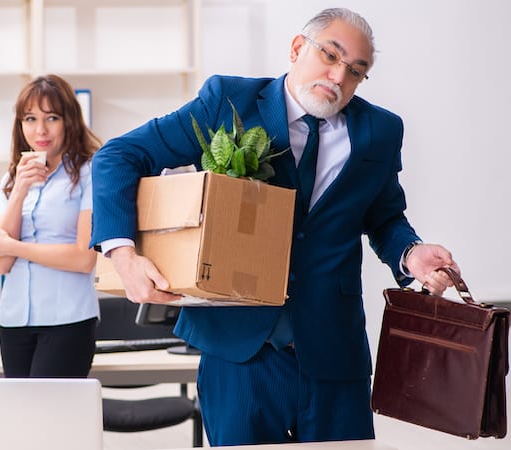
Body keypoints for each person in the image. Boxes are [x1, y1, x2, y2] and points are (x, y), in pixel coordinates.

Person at [89, 8, 460, 446]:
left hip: (333, 352)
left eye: (356, 71)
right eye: (330, 55)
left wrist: (410, 253)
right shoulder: (228, 101)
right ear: (297, 48)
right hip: (239, 350)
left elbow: (384, 217)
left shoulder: (380, 130)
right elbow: (119, 156)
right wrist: (123, 254)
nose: (340, 76)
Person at [0, 74, 101, 378]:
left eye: (52, 118)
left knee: (52, 421)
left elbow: (83, 258)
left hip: (67, 320)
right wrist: (19, 190)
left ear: (69, 121)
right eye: (30, 119)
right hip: (14, 320)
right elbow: (2, 263)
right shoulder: (10, 180)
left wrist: (14, 246)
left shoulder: (90, 173)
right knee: (22, 421)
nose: (40, 130)